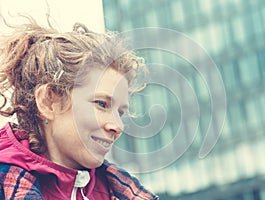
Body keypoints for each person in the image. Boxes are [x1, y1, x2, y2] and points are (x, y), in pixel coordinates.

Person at [0, 18, 159, 200]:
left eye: (120, 112)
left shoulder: (121, 191)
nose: (118, 126)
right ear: (48, 101)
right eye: (101, 104)